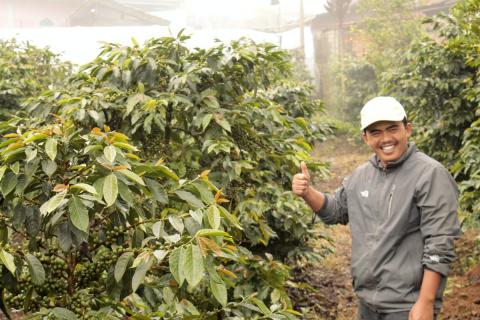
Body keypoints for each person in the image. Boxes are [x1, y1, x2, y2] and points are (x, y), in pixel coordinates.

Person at [292, 96, 460, 320]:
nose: (386, 138)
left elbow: (439, 244)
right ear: (365, 137)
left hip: (406, 306)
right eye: (376, 132)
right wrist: (307, 192)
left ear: (407, 129)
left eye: (392, 129)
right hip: (367, 302)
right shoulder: (362, 175)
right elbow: (336, 211)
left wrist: (426, 302)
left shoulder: (430, 174)